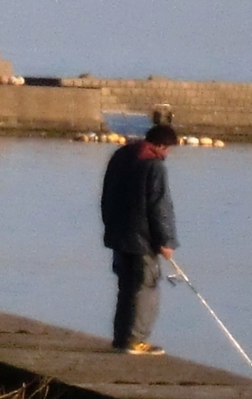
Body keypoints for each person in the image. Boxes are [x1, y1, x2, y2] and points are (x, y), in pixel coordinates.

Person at [100, 123, 180, 355]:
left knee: (126, 287)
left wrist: (110, 226)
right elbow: (160, 206)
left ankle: (121, 339)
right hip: (143, 239)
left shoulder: (121, 156)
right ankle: (136, 340)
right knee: (146, 288)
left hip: (119, 233)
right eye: (168, 150)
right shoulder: (154, 167)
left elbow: (106, 194)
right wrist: (166, 241)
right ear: (162, 145)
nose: (167, 155)